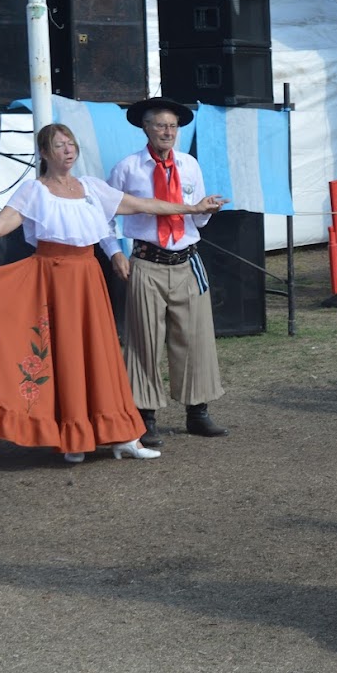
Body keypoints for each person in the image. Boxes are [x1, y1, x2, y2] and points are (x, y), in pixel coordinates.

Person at [0, 123, 224, 463]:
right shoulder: (33, 192)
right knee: (66, 356)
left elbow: (144, 204)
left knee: (100, 354)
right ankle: (73, 436)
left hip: (88, 278)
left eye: (71, 143)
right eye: (59, 145)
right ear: (45, 153)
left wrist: (193, 209)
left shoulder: (92, 189)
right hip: (51, 279)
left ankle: (123, 436)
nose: (68, 150)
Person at [103, 98, 228, 448]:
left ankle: (197, 412)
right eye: (160, 125)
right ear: (145, 127)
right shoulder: (128, 168)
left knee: (195, 336)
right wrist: (115, 252)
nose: (168, 132)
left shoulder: (189, 166)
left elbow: (196, 216)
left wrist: (208, 211)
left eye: (172, 126)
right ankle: (145, 416)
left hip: (186, 261)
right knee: (144, 340)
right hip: (146, 261)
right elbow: (104, 216)